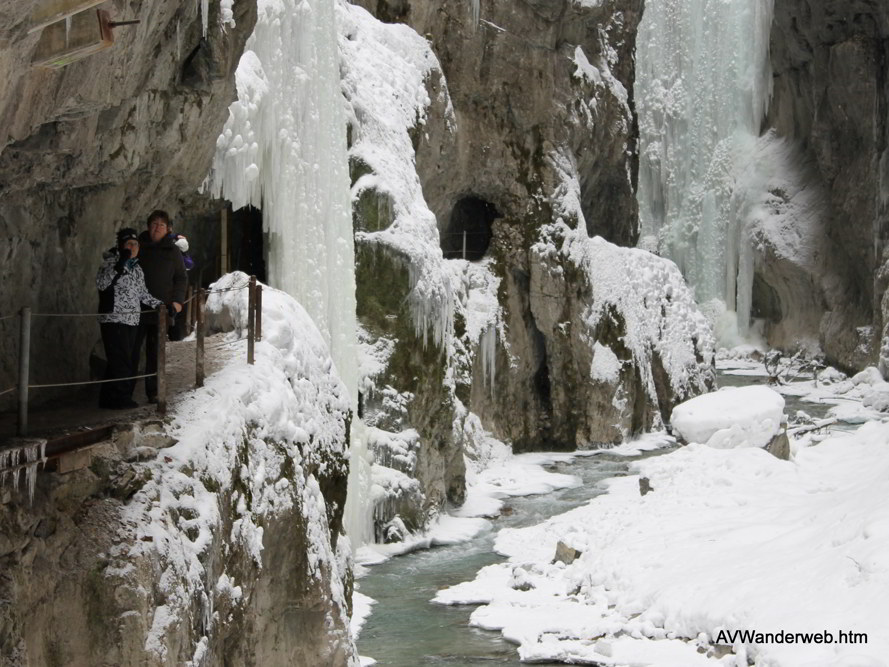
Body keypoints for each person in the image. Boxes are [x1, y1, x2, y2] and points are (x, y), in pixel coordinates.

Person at [96, 228, 162, 409]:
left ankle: (107, 399)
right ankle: (121, 398)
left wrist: (161, 305)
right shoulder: (110, 264)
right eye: (129, 244)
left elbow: (143, 294)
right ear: (121, 246)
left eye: (136, 244)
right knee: (121, 360)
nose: (133, 247)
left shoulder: (137, 268)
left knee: (120, 360)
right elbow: (103, 284)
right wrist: (120, 265)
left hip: (132, 320)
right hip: (114, 319)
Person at [135, 210, 187, 403]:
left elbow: (181, 278)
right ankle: (124, 392)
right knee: (131, 350)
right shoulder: (138, 246)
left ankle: (153, 391)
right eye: (154, 224)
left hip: (161, 309)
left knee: (155, 352)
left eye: (161, 225)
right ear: (148, 226)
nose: (157, 228)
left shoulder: (172, 251)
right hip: (135, 309)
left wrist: (177, 302)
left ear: (168, 229)